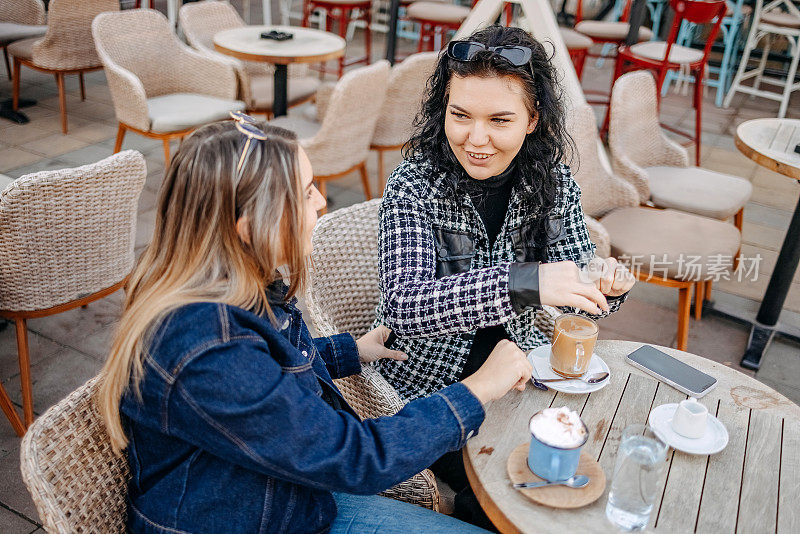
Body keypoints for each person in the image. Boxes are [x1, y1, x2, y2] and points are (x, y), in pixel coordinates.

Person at [97, 117, 534, 534]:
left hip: (287, 496)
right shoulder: (207, 345)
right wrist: (479, 388)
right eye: (305, 193)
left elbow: (264, 379)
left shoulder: (227, 284)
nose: (322, 200)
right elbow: (356, 458)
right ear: (247, 226)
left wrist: (349, 351)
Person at [374, 26, 636, 527]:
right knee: (516, 491)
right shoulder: (413, 184)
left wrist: (602, 282)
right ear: (442, 109)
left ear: (533, 119)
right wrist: (526, 281)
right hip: (433, 389)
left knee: (592, 459)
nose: (476, 139)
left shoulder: (552, 182)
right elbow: (404, 305)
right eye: (460, 115)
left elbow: (575, 287)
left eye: (500, 120)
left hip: (525, 374)